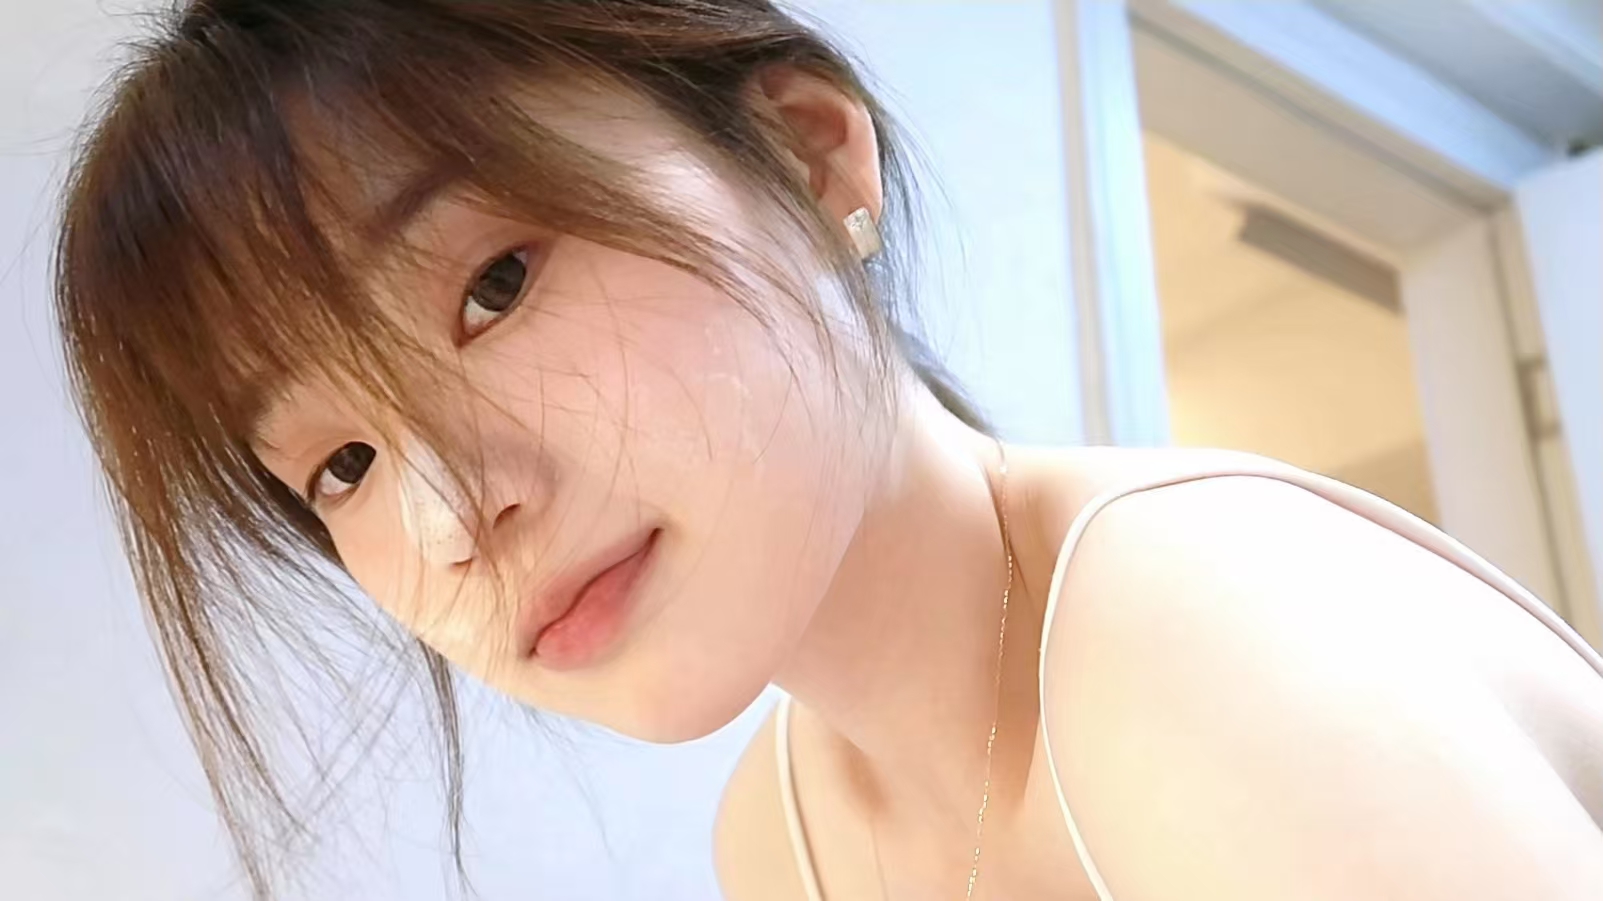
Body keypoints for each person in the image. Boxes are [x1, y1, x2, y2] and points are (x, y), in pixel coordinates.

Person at [54, 1, 1603, 899]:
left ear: (808, 157)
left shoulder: (1191, 636)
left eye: (495, 284)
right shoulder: (783, 833)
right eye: (340, 466)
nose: (454, 517)